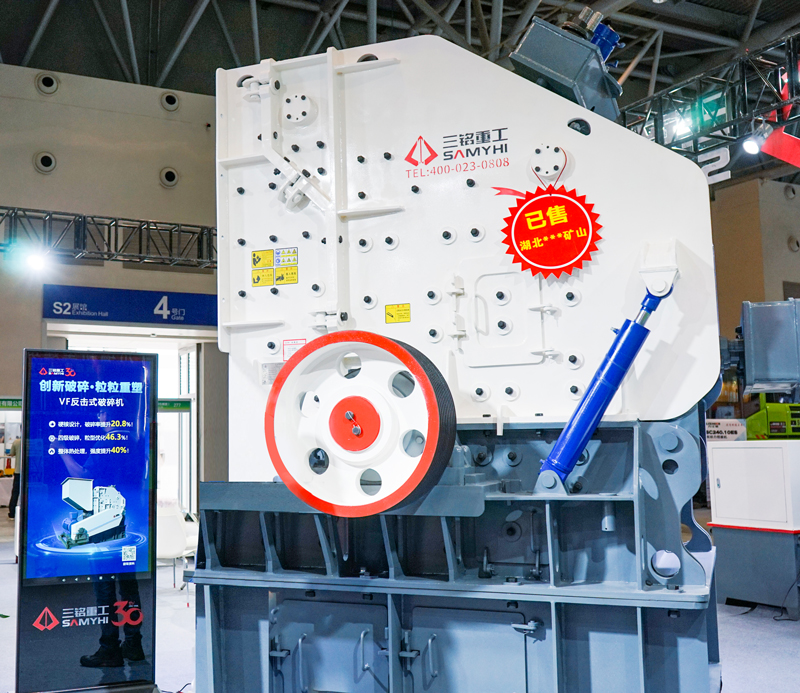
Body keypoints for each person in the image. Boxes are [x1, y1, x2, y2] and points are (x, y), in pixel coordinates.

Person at [7, 435, 21, 519]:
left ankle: (12, 512)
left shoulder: (16, 442)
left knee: (15, 492)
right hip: (31, 472)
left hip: (18, 471)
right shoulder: (32, 442)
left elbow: (11, 454)